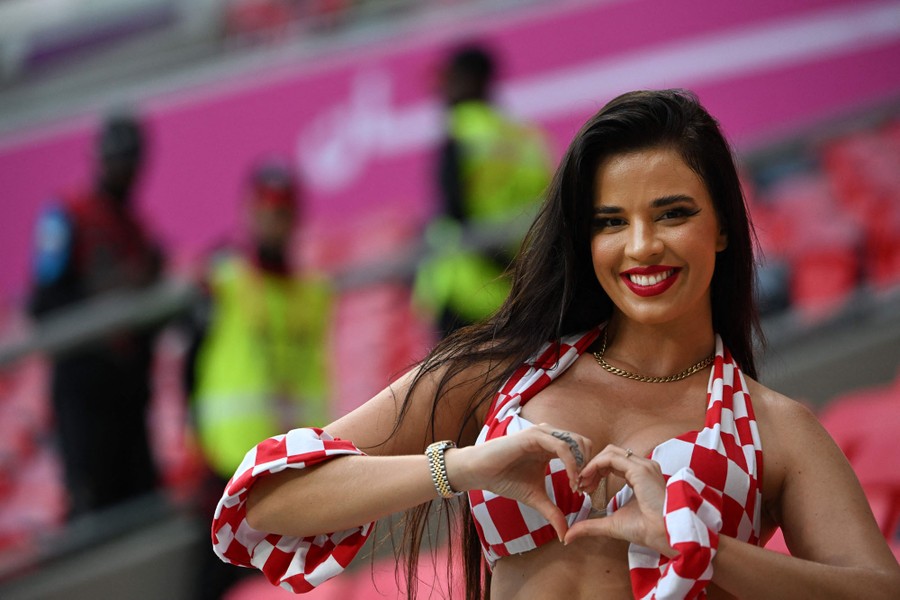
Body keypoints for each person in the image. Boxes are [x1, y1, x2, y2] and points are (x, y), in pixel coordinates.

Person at [210, 90, 900, 599]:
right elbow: (262, 507)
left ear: (722, 226)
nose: (641, 247)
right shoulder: (496, 375)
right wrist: (467, 467)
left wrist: (700, 547)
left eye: (673, 214)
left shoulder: (772, 430)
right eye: (610, 221)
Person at [186, 160, 333, 599]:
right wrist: (195, 439)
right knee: (216, 584)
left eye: (283, 212)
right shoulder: (224, 280)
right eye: (266, 210)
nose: (274, 222)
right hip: (225, 463)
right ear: (248, 213)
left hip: (287, 468)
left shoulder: (314, 293)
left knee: (276, 588)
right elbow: (189, 365)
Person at [28, 113, 163, 519]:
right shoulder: (68, 216)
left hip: (129, 393)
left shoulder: (138, 232)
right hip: (85, 391)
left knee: (140, 503)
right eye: (116, 156)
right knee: (93, 507)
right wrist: (117, 291)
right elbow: (43, 303)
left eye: (130, 158)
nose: (123, 168)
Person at [413, 43, 553, 337]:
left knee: (458, 382)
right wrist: (517, 270)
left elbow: (454, 210)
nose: (442, 91)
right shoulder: (527, 138)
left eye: (449, 80)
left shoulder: (459, 130)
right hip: (516, 289)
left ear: (471, 79)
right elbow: (546, 211)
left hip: (462, 287)